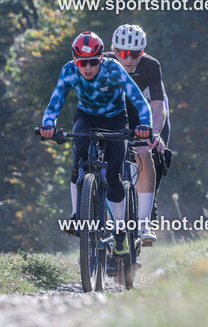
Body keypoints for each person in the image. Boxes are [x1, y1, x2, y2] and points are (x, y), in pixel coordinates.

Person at [39, 31, 152, 257]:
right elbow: (55, 101)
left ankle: (119, 231)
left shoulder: (113, 69)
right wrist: (48, 125)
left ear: (101, 58)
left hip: (116, 119)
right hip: (86, 117)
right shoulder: (69, 71)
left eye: (92, 62)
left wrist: (145, 126)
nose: (87, 67)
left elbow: (139, 100)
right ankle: (76, 216)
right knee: (78, 155)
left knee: (112, 173)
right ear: (75, 60)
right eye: (82, 62)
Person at [103, 24, 170, 245]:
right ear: (114, 50)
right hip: (115, 115)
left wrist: (156, 134)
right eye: (123, 53)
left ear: (143, 52)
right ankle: (100, 223)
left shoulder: (151, 66)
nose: (129, 59)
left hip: (145, 116)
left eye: (135, 54)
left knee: (145, 153)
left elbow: (159, 108)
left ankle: (144, 222)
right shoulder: (102, 62)